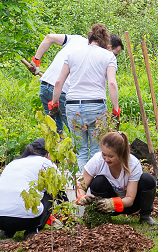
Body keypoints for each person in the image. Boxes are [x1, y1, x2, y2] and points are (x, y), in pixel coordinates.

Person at [48, 24, 121, 170]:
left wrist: (54, 103)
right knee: (96, 150)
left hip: (73, 106)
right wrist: (115, 109)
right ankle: (94, 187)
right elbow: (112, 83)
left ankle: (80, 187)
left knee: (80, 150)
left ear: (90, 38)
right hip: (96, 107)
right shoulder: (108, 56)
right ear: (106, 42)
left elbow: (58, 81)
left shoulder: (73, 54)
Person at [32, 32, 123, 138]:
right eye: (115, 54)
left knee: (53, 134)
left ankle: (53, 154)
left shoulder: (77, 39)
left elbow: (49, 37)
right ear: (108, 46)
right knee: (77, 137)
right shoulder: (99, 55)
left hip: (45, 85)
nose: (114, 58)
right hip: (63, 91)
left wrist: (36, 61)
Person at [0, 139, 61, 240]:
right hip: (24, 219)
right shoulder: (46, 163)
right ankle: (33, 230)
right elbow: (60, 190)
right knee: (50, 190)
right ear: (48, 153)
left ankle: (8, 231)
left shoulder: (14, 162)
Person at [77, 132, 158, 225]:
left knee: (148, 179)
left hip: (130, 205)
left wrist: (112, 203)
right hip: (103, 206)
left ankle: (145, 216)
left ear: (121, 154)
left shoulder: (133, 164)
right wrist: (82, 197)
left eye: (111, 156)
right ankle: (103, 217)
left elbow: (130, 199)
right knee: (98, 181)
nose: (106, 159)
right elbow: (81, 187)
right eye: (104, 154)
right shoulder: (97, 161)